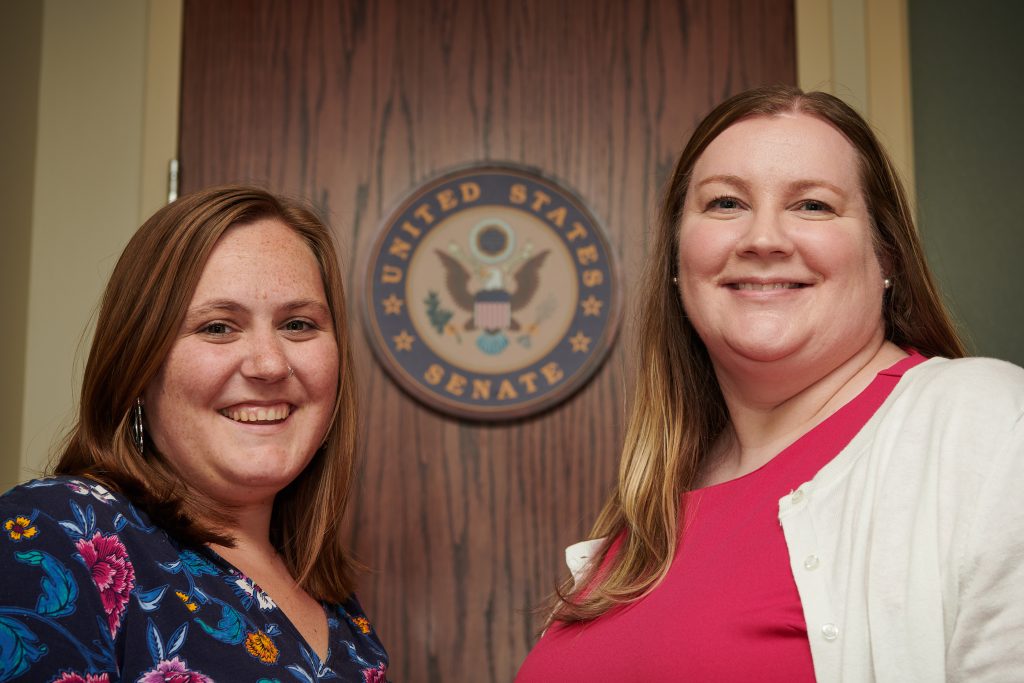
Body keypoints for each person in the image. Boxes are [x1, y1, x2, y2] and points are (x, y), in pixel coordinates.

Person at [516, 86, 1024, 681]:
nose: (763, 238)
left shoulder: (986, 427)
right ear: (679, 260)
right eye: (726, 203)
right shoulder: (646, 516)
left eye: (812, 206)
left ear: (886, 256)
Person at [0, 186, 388, 682]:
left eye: (297, 323)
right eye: (218, 327)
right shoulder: (58, 533)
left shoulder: (333, 602)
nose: (270, 364)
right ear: (138, 367)